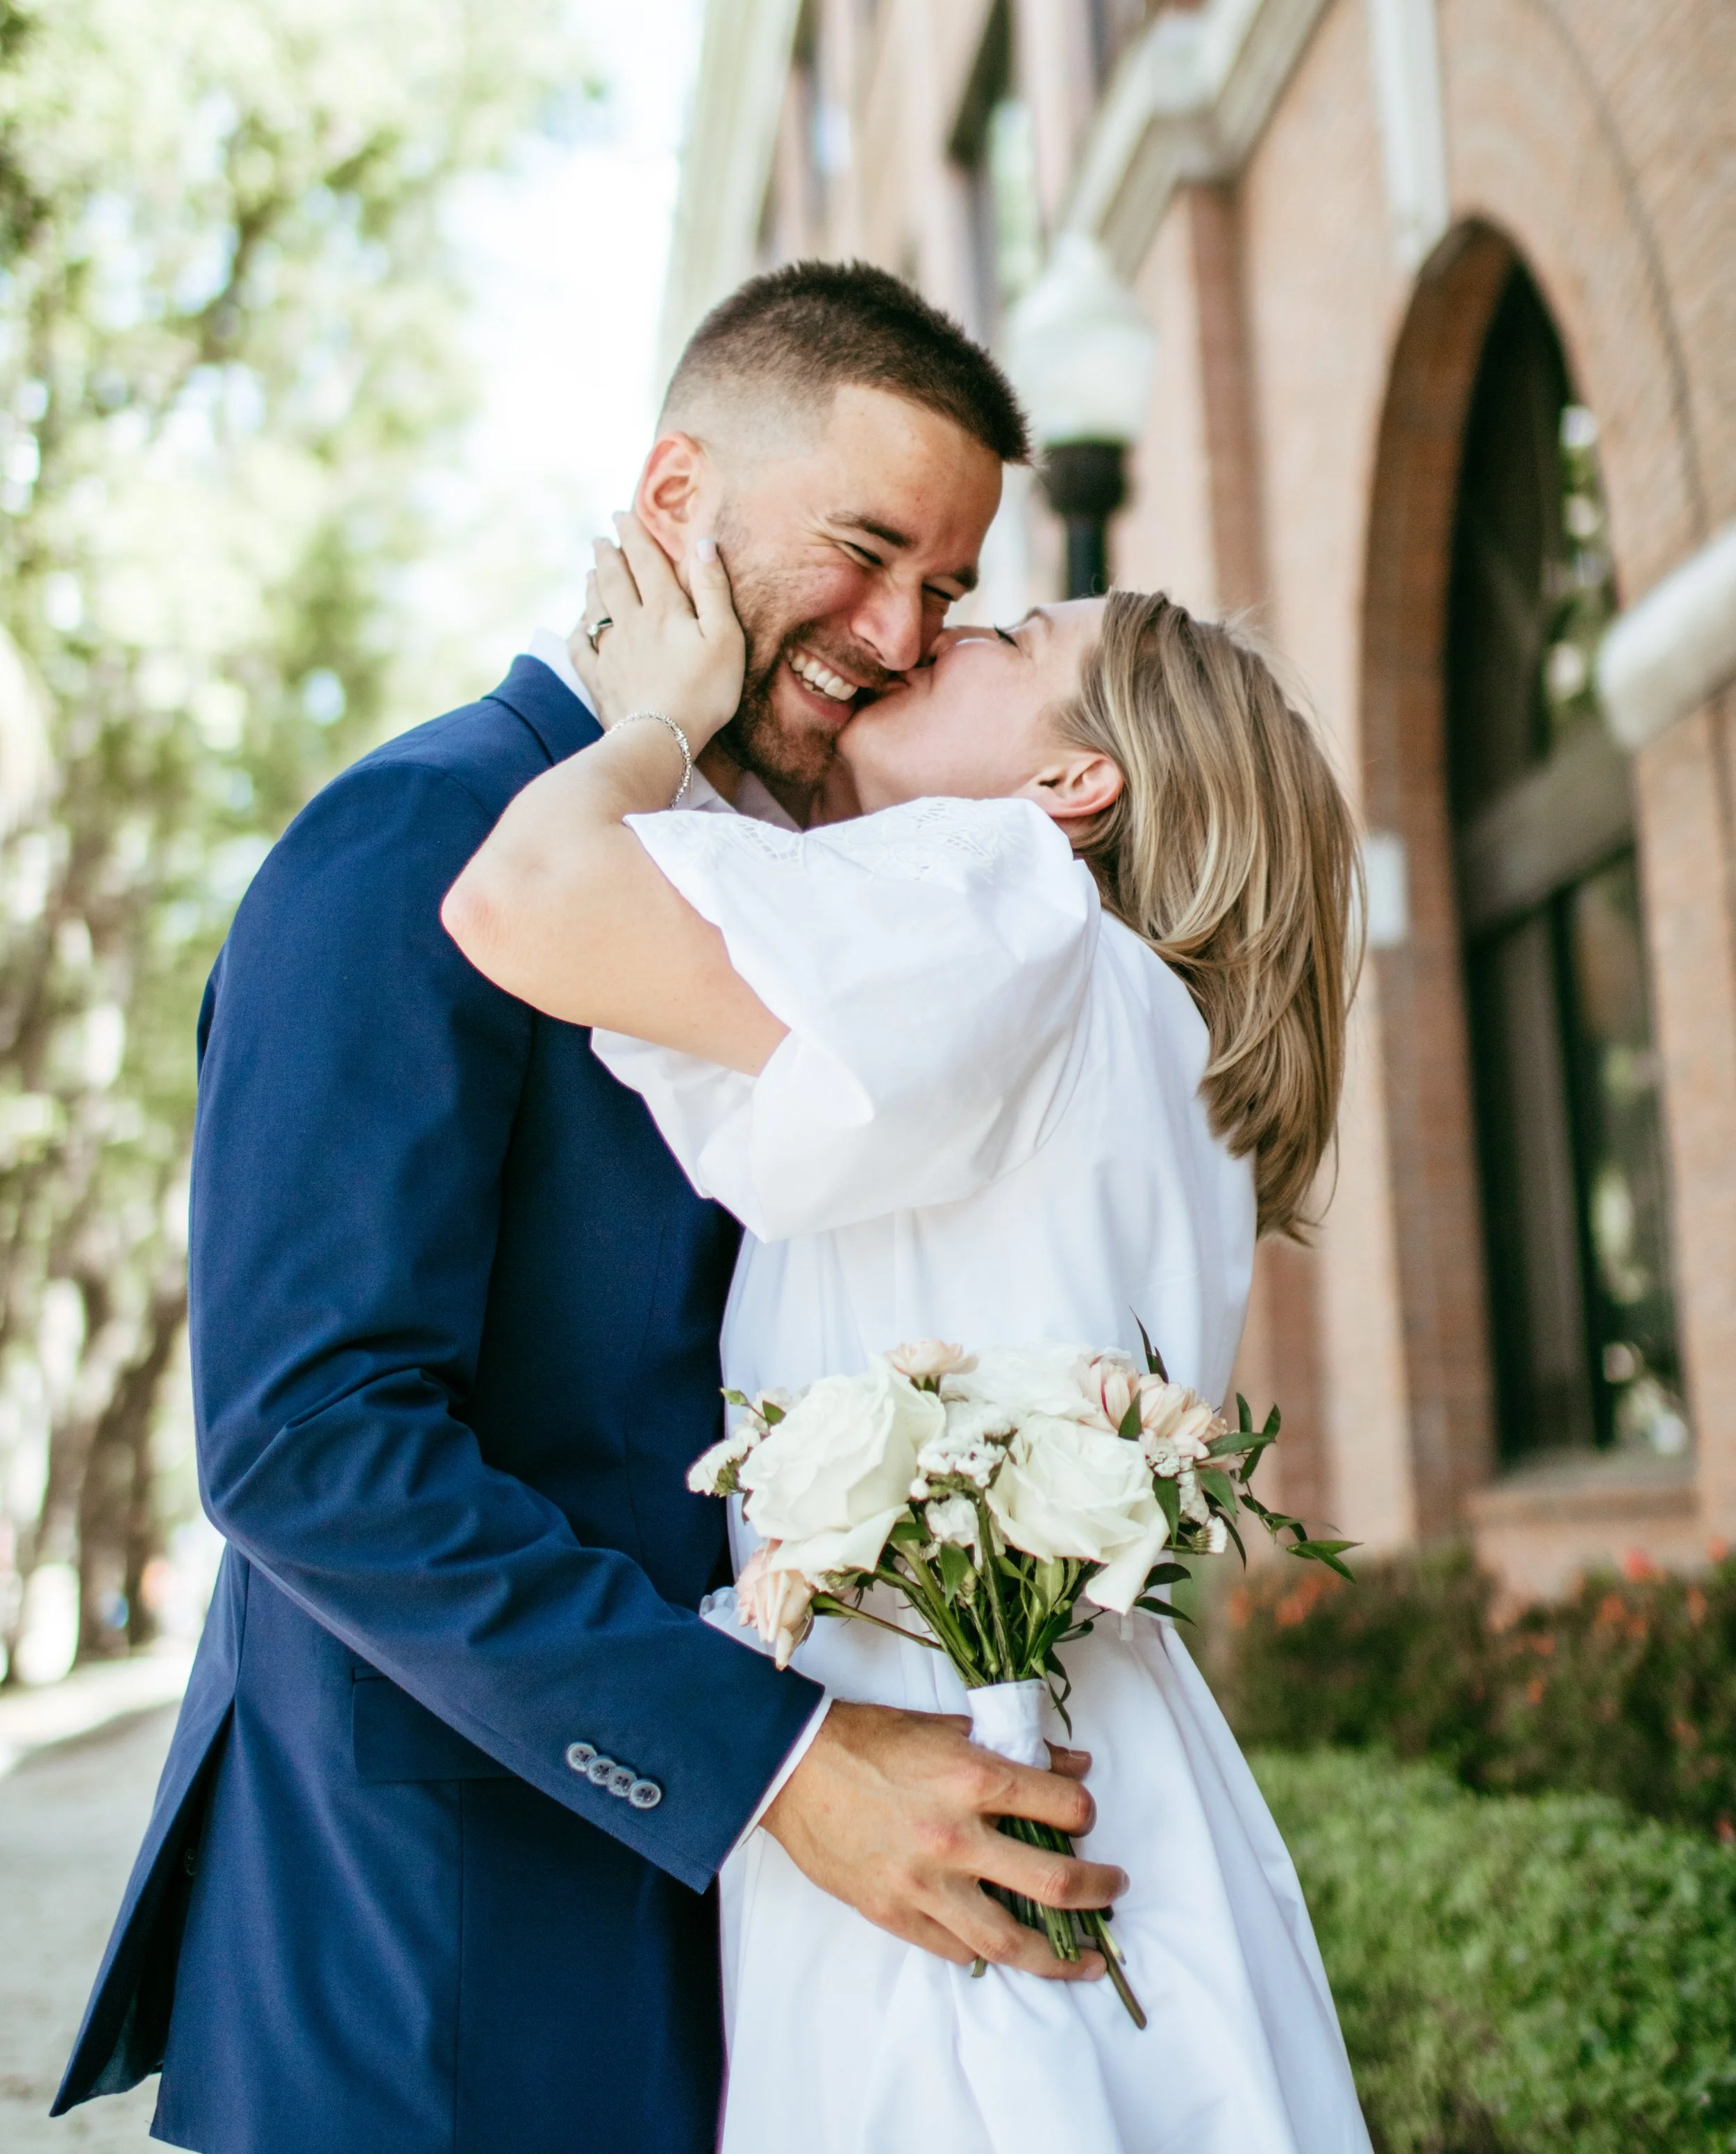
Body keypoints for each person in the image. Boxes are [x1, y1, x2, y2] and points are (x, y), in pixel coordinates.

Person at [53, 262, 1123, 2154]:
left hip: (712, 1954)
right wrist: (778, 1765)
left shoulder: (761, 881)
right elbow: (307, 1439)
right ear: (673, 500)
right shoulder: (410, 837)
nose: (893, 630)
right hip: (435, 1972)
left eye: (945, 591)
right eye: (864, 549)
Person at [441, 516, 1374, 2154]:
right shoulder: (1150, 1032)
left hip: (930, 1783)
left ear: (1066, 792)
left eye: (1004, 641)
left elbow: (524, 899)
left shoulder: (1005, 902)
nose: (935, 638)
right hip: (1083, 1757)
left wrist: (653, 718)